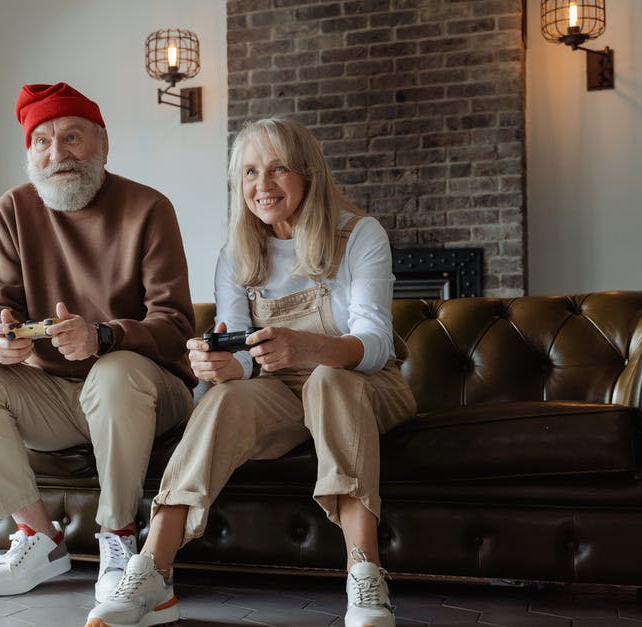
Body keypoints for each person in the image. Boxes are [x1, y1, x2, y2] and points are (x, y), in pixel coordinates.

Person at [85, 118, 417, 627]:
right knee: (221, 399)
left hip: (367, 384)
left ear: (307, 173)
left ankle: (365, 573)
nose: (262, 185)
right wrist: (220, 365)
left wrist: (310, 346)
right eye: (250, 173)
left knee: (329, 379)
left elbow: (373, 344)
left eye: (278, 169)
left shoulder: (359, 235)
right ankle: (152, 569)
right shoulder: (237, 255)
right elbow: (241, 353)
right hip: (281, 391)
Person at [0, 82, 196, 602]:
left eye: (72, 138)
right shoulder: (13, 209)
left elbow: (175, 326)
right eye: (43, 142)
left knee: (114, 370)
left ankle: (119, 537)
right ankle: (38, 536)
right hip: (56, 396)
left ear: (102, 144)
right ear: (30, 153)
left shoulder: (149, 208)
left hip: (145, 391)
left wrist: (103, 337)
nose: (58, 155)